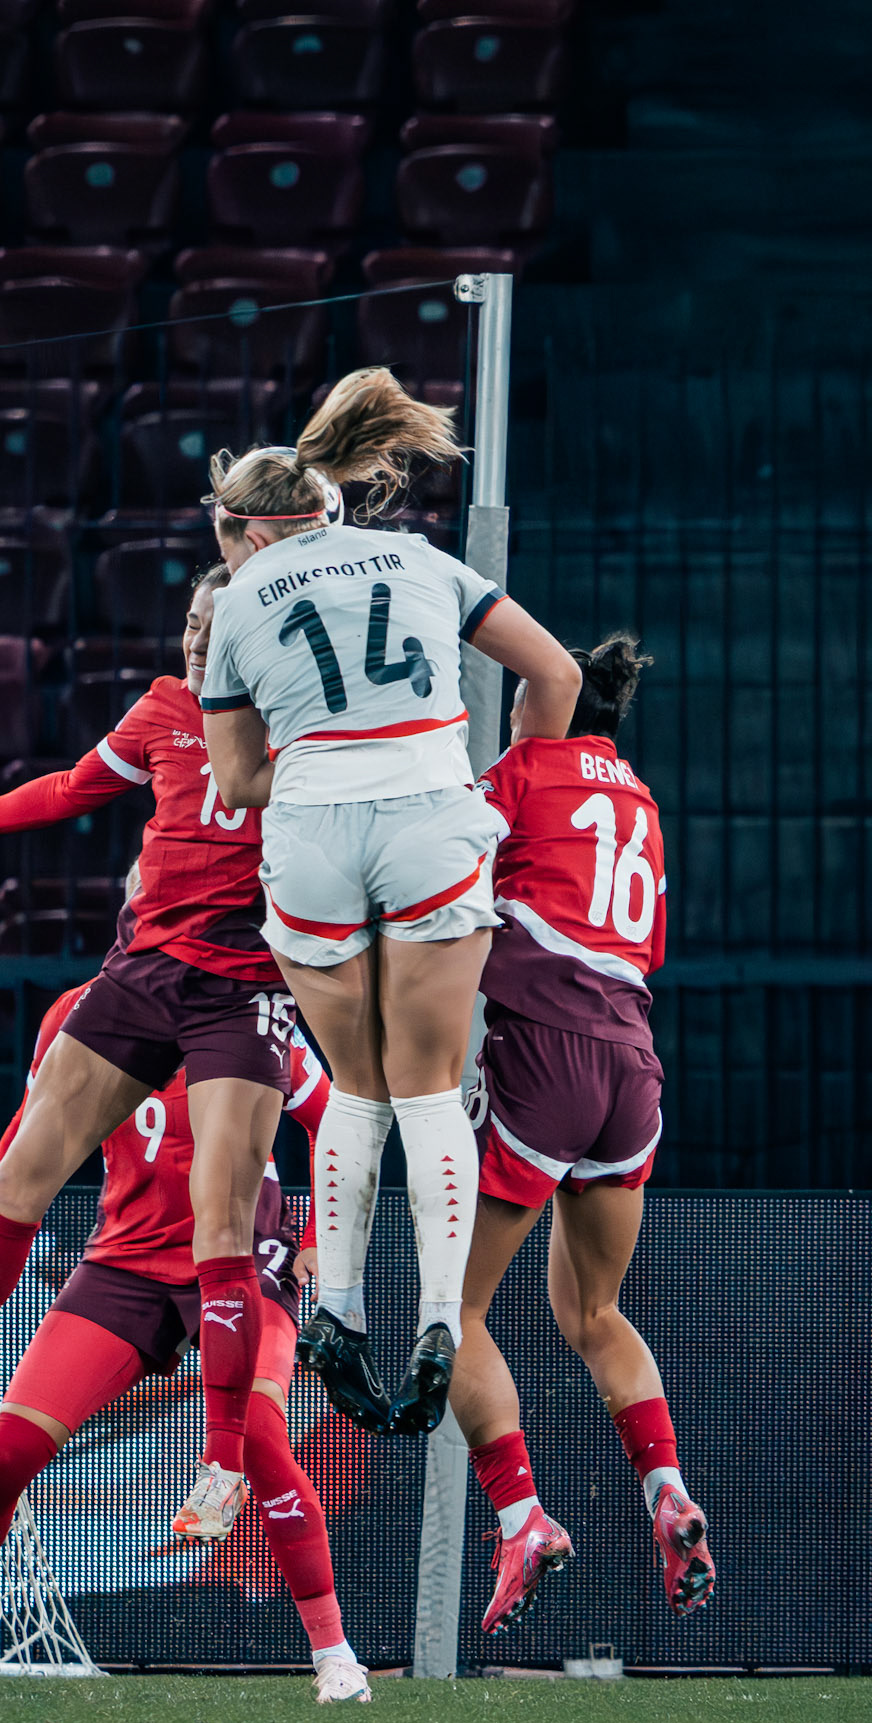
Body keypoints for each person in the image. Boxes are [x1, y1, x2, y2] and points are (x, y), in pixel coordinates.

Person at [0, 565, 299, 1543]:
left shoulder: (298, 725)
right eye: (190, 624)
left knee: (222, 1216)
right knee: (21, 1169)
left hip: (241, 983)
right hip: (144, 968)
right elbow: (75, 786)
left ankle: (220, 1464)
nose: (198, 641)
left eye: (218, 627)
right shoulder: (164, 709)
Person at [198, 367, 582, 1439]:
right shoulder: (422, 560)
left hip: (314, 832)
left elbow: (233, 780)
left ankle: (337, 1307)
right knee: (428, 1088)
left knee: (355, 1085)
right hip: (429, 816)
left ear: (250, 530)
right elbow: (552, 673)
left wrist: (327, 755)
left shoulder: (236, 602)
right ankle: (437, 1324)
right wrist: (502, 773)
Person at [0, 992, 372, 1706]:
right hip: (126, 1263)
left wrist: (314, 1241)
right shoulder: (83, 1012)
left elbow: (332, 1120)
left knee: (262, 1446)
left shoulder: (252, 1011)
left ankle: (334, 1655)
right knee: (6, 1458)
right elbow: (33, 1131)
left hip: (248, 1257)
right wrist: (1, 1207)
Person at [450, 637, 715, 1634]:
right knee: (594, 1310)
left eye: (522, 699)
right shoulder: (641, 796)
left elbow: (443, 865)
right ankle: (667, 1494)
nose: (516, 713)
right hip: (632, 1066)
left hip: (546, 1057)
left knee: (456, 1306)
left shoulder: (523, 770)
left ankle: (522, 1518)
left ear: (549, 708)